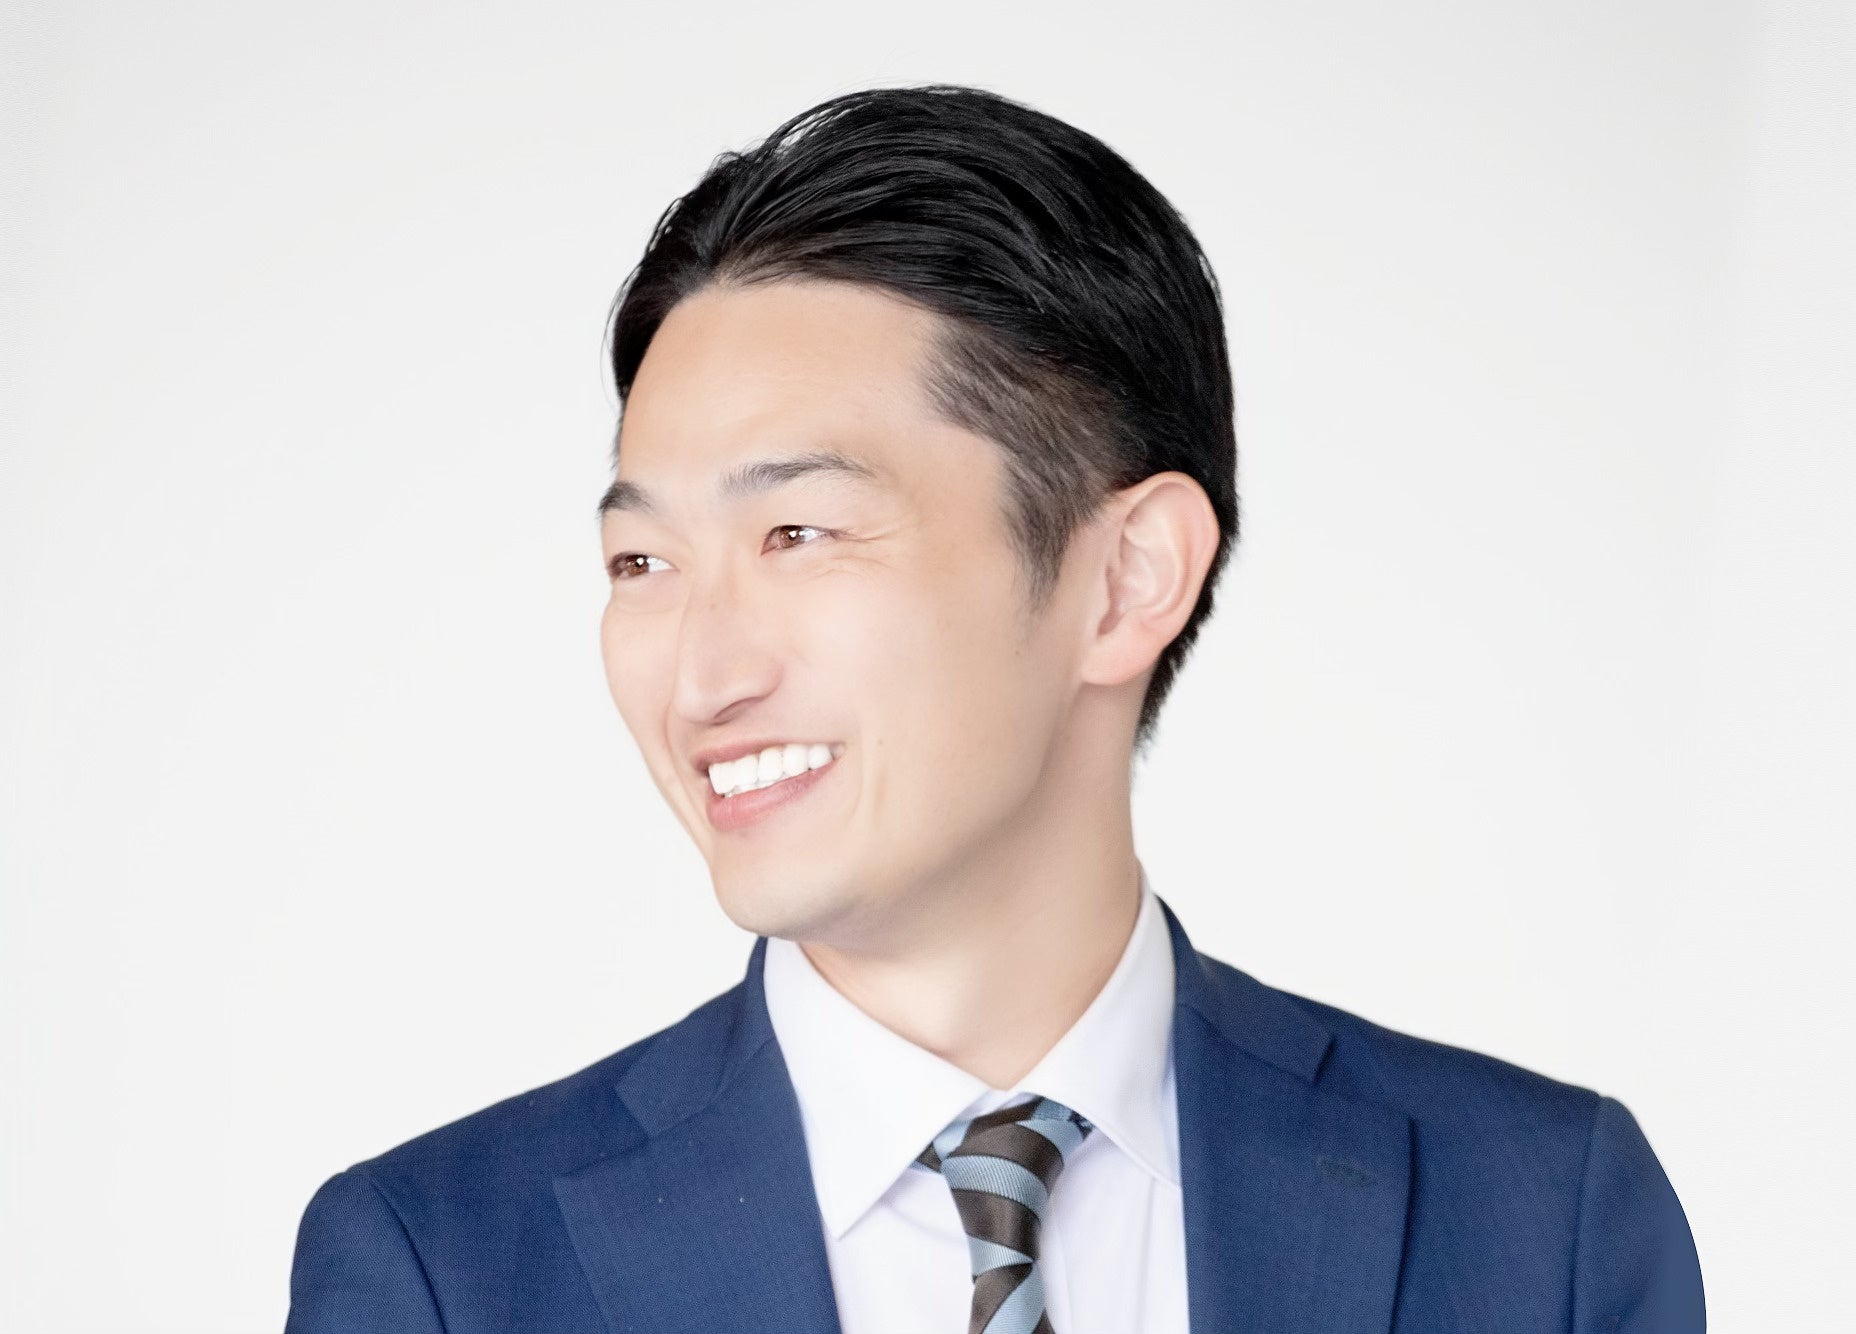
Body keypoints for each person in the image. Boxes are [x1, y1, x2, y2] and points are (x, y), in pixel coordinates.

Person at [284, 84, 1704, 1334]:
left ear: (1126, 578)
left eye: (800, 534)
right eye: (641, 563)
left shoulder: (1539, 1220)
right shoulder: (442, 1269)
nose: (702, 679)